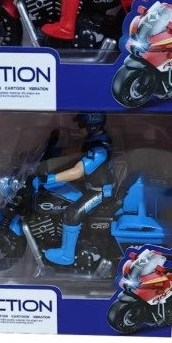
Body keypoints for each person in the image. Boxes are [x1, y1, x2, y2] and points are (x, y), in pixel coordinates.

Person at [33, 113, 115, 266]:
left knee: (72, 212)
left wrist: (49, 178)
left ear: (92, 126)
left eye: (81, 126)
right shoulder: (94, 142)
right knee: (57, 192)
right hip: (91, 187)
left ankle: (66, 255)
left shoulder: (99, 150)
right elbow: (75, 151)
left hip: (101, 192)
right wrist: (51, 153)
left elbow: (77, 172)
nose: (79, 129)